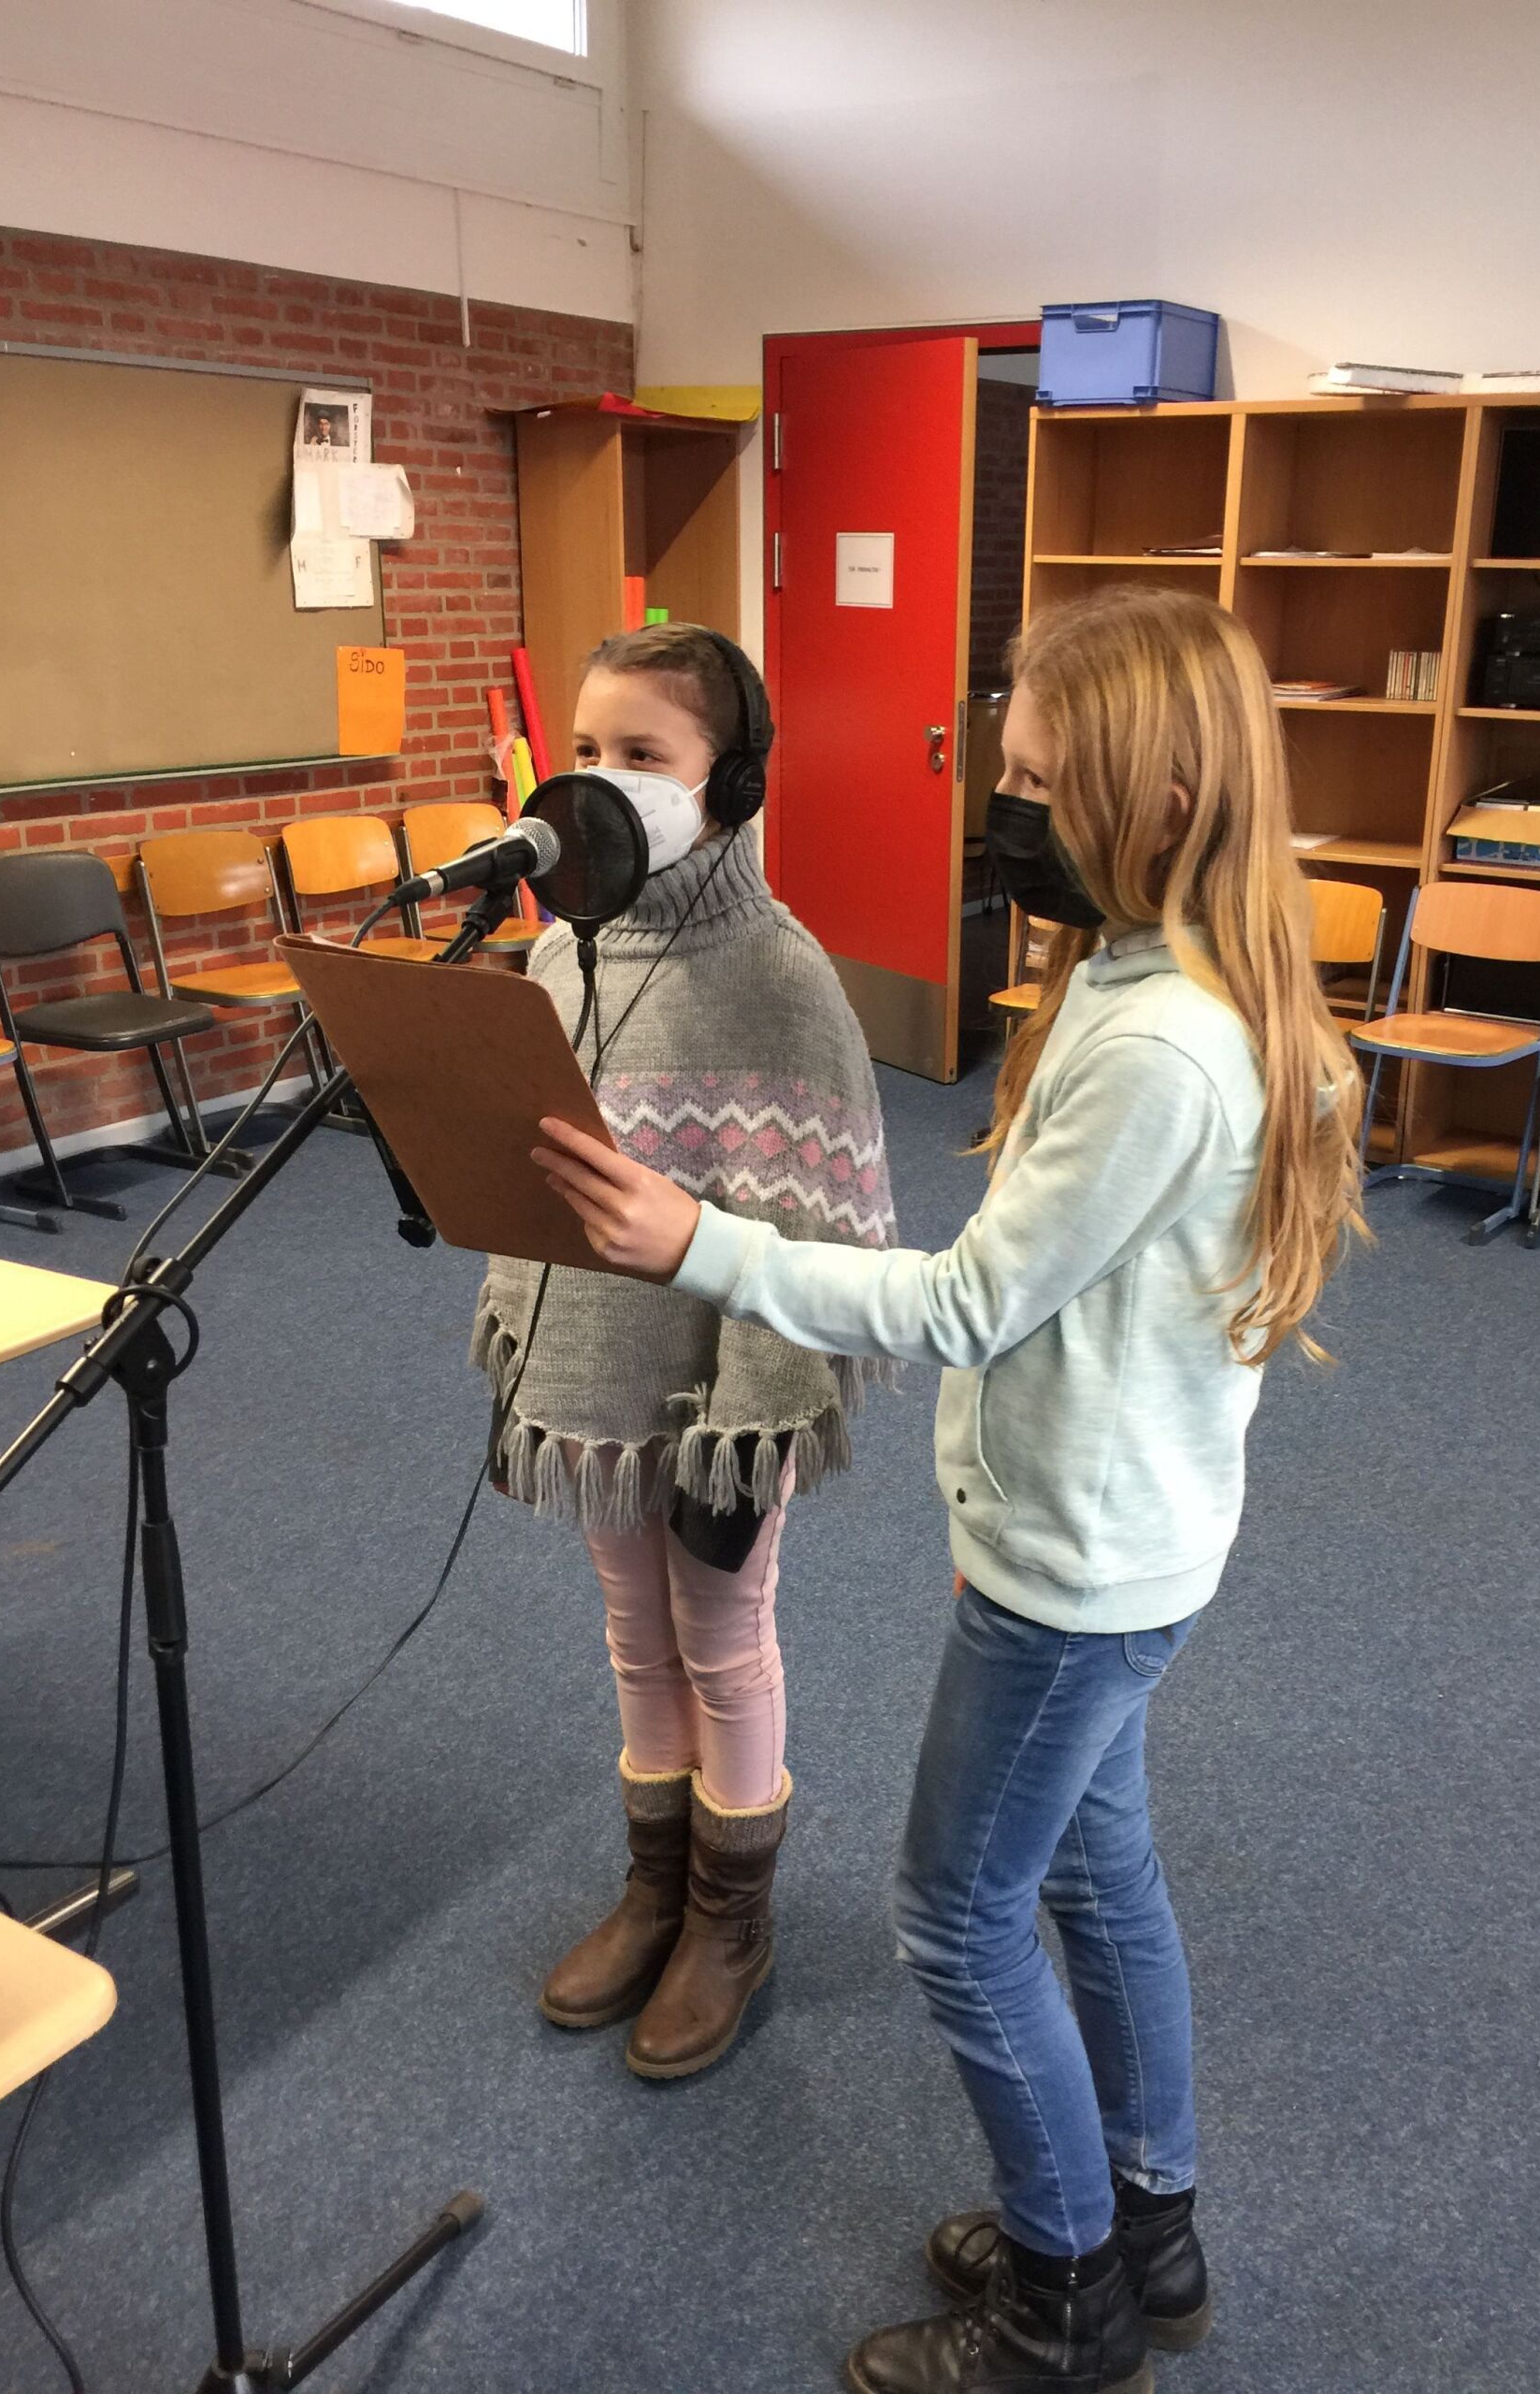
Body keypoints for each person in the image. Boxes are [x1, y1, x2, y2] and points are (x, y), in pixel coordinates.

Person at [532, 584, 1363, 2392]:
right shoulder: (1146, 980)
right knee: (1098, 1875)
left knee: (961, 1916)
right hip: (1119, 1541)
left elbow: (971, 1303)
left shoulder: (1157, 1046)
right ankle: (1149, 2226)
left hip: (1074, 1571)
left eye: (1040, 786)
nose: (1008, 815)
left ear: (1157, 801)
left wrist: (702, 1242)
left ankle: (1067, 2300)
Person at [475, 622, 895, 2082]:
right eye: (587, 748)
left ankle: (731, 1919)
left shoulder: (780, 976)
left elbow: (825, 1224)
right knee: (633, 1634)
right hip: (597, 1363)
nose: (603, 779)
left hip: (728, 1388)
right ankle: (656, 1888)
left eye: (644, 754)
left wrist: (755, 1402)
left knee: (721, 1639)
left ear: (733, 784)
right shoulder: (559, 952)